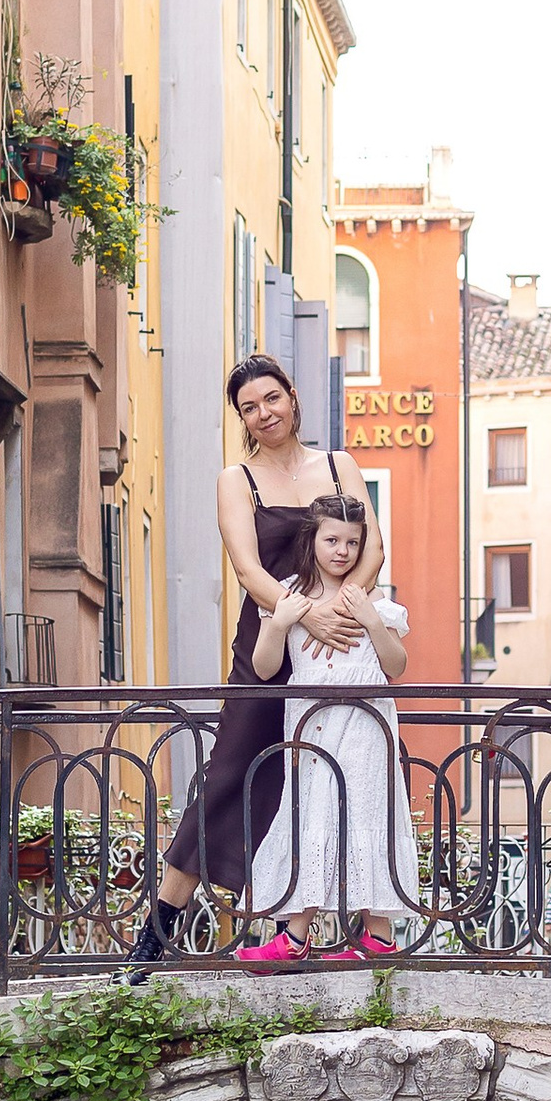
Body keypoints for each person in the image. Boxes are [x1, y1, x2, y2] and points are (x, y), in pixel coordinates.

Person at [125, 354, 381, 976]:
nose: (264, 413)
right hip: (270, 643)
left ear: (292, 397)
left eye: (272, 399)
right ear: (241, 417)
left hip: (339, 646)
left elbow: (371, 548)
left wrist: (341, 614)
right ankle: (152, 942)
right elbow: (248, 570)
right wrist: (304, 614)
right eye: (249, 407)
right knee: (229, 776)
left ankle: (315, 931)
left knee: (336, 774)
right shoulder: (236, 479)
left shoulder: (339, 466)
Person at [235, 493, 417, 968]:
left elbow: (396, 665)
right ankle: (300, 934)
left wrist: (373, 620)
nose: (342, 551)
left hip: (365, 727)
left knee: (364, 815)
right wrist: (281, 624)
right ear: (312, 539)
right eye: (332, 539)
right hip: (312, 728)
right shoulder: (290, 594)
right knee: (311, 817)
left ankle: (374, 936)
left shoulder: (373, 599)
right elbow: (264, 665)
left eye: (353, 542)